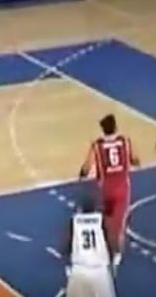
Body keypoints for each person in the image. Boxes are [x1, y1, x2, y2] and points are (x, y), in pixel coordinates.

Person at [80, 114, 139, 271]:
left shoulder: (96, 145)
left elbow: (86, 168)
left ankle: (108, 252)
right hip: (122, 187)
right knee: (120, 226)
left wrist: (82, 174)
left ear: (102, 129)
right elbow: (135, 159)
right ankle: (117, 257)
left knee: (108, 223)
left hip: (106, 188)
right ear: (115, 127)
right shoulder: (125, 141)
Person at [64, 196, 116, 297]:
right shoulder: (101, 219)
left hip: (79, 269)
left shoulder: (74, 221)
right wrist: (113, 259)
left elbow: (66, 245)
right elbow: (111, 242)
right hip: (99, 270)